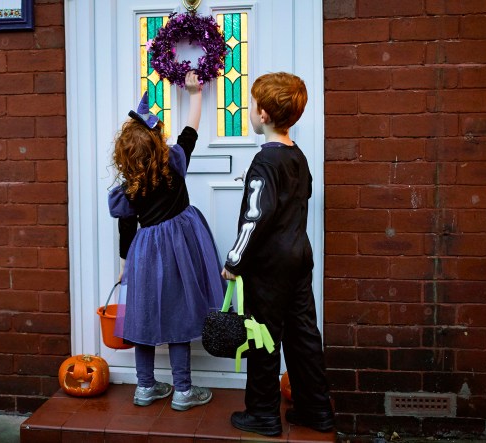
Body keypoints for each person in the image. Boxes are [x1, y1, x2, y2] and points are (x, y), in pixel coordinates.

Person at [221, 72, 335, 436]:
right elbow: (297, 195)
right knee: (302, 334)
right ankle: (316, 410)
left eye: (253, 105)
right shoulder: (295, 156)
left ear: (264, 115)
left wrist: (234, 262)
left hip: (269, 267)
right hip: (299, 258)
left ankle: (263, 415)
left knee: (262, 336)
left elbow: (255, 217)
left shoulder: (264, 162)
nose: (251, 111)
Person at [108, 71, 225, 411]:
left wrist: (124, 267)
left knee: (141, 317)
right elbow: (190, 132)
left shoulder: (129, 186)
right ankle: (183, 391)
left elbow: (126, 230)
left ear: (125, 155)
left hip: (144, 253)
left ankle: (145, 387)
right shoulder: (174, 162)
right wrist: (195, 94)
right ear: (158, 143)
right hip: (181, 250)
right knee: (179, 316)